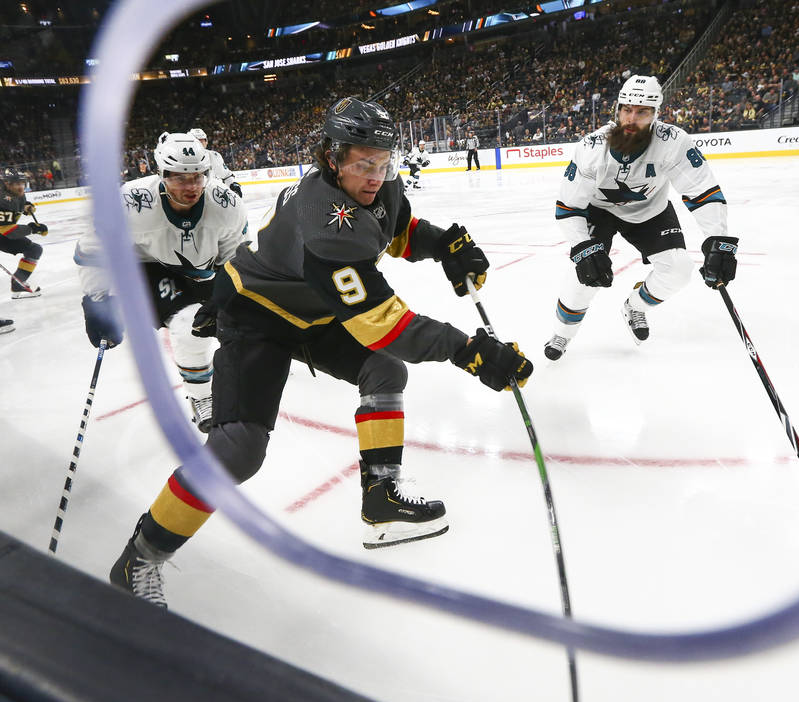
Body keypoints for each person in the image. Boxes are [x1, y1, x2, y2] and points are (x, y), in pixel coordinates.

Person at [108, 97, 533, 608]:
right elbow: (386, 326)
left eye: (382, 161)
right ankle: (139, 557)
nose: (375, 175)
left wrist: (445, 244)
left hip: (311, 307)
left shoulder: (380, 186)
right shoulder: (325, 228)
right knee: (239, 449)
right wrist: (472, 351)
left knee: (383, 372)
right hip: (256, 314)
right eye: (361, 163)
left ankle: (381, 496)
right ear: (332, 157)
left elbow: (394, 228)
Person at [543, 75, 739, 360]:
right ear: (617, 109)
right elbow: (569, 207)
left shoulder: (673, 141)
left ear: (656, 114)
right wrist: (582, 247)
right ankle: (562, 333)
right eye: (626, 109)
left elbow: (703, 191)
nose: (632, 118)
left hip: (650, 209)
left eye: (642, 111)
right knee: (583, 276)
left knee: (679, 269)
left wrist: (717, 237)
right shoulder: (592, 147)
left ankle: (636, 307)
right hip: (600, 210)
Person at [75, 132, 250, 432]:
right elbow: (92, 249)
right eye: (180, 178)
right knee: (187, 324)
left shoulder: (226, 204)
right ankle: (200, 396)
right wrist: (96, 300)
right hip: (146, 267)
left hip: (201, 271)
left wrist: (228, 298)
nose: (191, 187)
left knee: (234, 321)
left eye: (197, 176)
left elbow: (239, 260)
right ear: (161, 174)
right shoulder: (130, 201)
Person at [0, 168, 47, 299]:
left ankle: (17, 284)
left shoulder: (15, 193)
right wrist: (32, 229)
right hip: (2, 233)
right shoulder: (2, 200)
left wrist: (25, 206)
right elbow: (7, 231)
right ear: (7, 184)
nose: (21, 187)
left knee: (34, 250)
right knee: (34, 249)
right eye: (16, 184)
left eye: (22, 183)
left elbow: (18, 202)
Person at [188, 128, 242, 197]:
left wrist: (232, 184)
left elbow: (226, 175)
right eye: (198, 141)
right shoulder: (181, 158)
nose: (201, 143)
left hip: (213, 198)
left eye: (203, 140)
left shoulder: (214, 156)